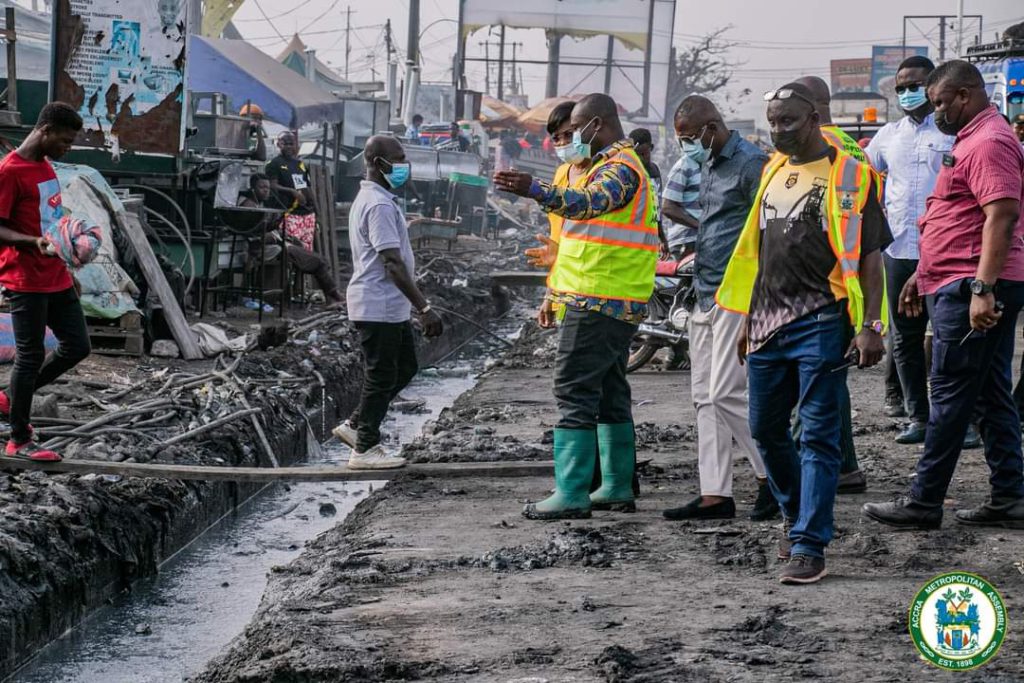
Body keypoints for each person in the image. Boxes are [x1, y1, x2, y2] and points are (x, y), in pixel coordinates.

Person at [718, 82, 889, 584]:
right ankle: (796, 516)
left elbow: (872, 255)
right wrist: (748, 318)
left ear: (814, 118)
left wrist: (871, 326)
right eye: (772, 122)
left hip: (822, 320)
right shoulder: (772, 169)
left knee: (817, 436)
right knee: (767, 431)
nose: (778, 130)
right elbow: (759, 251)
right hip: (768, 322)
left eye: (788, 121)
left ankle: (810, 544)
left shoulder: (852, 175)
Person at [863, 60, 1024, 530]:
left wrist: (983, 288)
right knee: (992, 393)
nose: (935, 111)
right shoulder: (972, 138)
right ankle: (1011, 495)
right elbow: (955, 217)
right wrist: (923, 273)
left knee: (950, 393)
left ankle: (924, 500)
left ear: (966, 95)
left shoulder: (990, 140)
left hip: (970, 285)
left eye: (939, 102)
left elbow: (1001, 217)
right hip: (953, 278)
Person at [494, 93, 659, 520]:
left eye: (577, 128)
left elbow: (590, 204)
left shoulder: (620, 170)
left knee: (573, 390)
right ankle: (616, 485)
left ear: (597, 125)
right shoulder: (606, 166)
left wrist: (535, 189)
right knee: (608, 391)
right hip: (602, 293)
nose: (568, 140)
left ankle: (571, 491)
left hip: (600, 296)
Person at [660, 95, 774, 522]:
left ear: (712, 127)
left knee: (726, 392)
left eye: (689, 138)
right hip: (705, 288)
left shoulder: (751, 164)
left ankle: (775, 476)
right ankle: (715, 494)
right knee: (703, 398)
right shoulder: (707, 163)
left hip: (737, 289)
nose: (686, 146)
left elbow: (767, 229)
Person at [332, 136, 444, 470]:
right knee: (381, 375)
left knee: (405, 366)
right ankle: (364, 448)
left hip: (387, 305)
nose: (404, 166)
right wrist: (424, 308)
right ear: (378, 163)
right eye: (398, 159)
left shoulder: (377, 199)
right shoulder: (378, 204)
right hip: (377, 303)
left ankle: (356, 425)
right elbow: (392, 263)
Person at [865, 56, 958, 446]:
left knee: (949, 337)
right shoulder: (889, 135)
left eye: (914, 84)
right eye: (900, 87)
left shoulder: (955, 134)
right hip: (899, 249)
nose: (907, 92)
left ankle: (954, 419)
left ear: (933, 85)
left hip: (946, 251)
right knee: (904, 337)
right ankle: (918, 416)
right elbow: (863, 179)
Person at [790, 74, 874, 494]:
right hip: (848, 274)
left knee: (819, 379)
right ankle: (845, 467)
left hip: (824, 280)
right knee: (830, 378)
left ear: (811, 109)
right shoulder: (853, 145)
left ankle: (826, 464)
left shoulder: (822, 149)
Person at [0, 102, 92, 462]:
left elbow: (50, 220)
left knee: (78, 345)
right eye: (65, 141)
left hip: (56, 275)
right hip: (25, 278)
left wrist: (69, 263)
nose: (67, 147)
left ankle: (11, 397)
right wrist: (32, 242)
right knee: (30, 355)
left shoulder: (45, 167)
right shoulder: (10, 171)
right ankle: (19, 440)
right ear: (45, 131)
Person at [238, 174, 343, 307]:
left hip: (277, 244)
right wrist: (275, 236)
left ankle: (331, 296)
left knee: (317, 259)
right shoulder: (249, 205)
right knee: (318, 261)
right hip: (268, 248)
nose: (266, 190)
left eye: (268, 188)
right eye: (262, 187)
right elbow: (253, 235)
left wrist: (279, 232)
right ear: (252, 188)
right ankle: (334, 295)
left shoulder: (259, 203)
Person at [266, 131, 317, 252]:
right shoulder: (274, 164)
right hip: (290, 215)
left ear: (296, 145)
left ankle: (302, 272)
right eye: (285, 143)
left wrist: (315, 210)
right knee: (292, 251)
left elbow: (306, 186)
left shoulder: (300, 164)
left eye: (291, 144)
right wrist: (292, 192)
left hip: (307, 215)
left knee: (306, 252)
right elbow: (272, 186)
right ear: (279, 144)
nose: (289, 146)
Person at [662, 111, 703, 259]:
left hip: (698, 237)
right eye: (685, 141)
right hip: (685, 239)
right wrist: (699, 225)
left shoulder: (708, 165)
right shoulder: (683, 166)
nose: (689, 145)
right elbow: (668, 207)